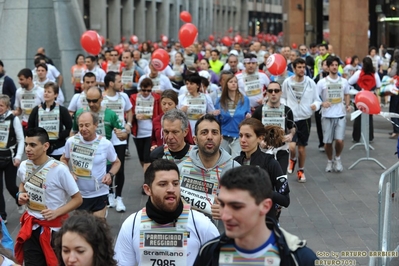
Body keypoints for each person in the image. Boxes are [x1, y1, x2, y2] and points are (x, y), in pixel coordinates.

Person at [193, 166, 318, 265]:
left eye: (236, 207)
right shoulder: (209, 253)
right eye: (223, 205)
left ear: (265, 206)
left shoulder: (300, 259)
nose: (225, 216)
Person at [114, 159, 219, 266]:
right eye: (163, 184)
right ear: (147, 189)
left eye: (175, 183)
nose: (171, 189)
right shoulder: (131, 225)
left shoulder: (201, 224)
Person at [15, 127, 83, 266]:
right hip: (31, 227)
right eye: (27, 144)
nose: (28, 149)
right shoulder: (23, 166)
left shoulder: (60, 169)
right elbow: (23, 183)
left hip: (55, 230)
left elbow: (78, 199)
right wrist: (20, 194)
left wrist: (56, 212)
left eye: (33, 145)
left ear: (45, 146)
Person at [61, 112, 121, 218]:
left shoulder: (105, 144)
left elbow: (116, 162)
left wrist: (110, 174)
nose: (83, 129)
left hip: (99, 192)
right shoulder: (71, 142)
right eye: (81, 125)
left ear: (96, 125)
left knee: (98, 226)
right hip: (78, 194)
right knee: (82, 229)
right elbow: (64, 159)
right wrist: (68, 172)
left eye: (87, 125)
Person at [178, 114, 238, 219]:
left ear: (221, 139)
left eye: (214, 133)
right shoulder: (180, 169)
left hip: (223, 234)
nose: (210, 137)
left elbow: (250, 208)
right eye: (204, 132)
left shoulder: (237, 170)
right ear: (195, 139)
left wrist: (229, 211)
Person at [233, 118, 289, 221]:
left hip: (264, 224)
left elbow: (285, 200)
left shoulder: (270, 163)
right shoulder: (235, 162)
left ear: (260, 138)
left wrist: (265, 191)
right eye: (241, 136)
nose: (243, 140)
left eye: (248, 136)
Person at [282, 58, 320, 182]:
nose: (302, 69)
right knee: (292, 147)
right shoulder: (287, 82)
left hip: (305, 119)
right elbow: (283, 98)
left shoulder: (310, 83)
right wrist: (285, 109)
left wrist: (316, 105)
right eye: (299, 67)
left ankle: (301, 171)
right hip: (291, 119)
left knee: (302, 148)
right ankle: (292, 159)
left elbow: (317, 99)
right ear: (294, 69)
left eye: (303, 67)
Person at [102, 72, 132, 212]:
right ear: (111, 83)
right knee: (106, 168)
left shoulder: (124, 96)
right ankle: (110, 194)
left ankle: (119, 197)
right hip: (106, 138)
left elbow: (129, 111)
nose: (122, 84)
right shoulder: (101, 98)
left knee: (120, 168)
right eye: (119, 81)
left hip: (120, 138)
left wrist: (129, 124)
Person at [252, 81, 296, 173]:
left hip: (281, 150)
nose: (273, 93)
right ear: (267, 93)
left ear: (281, 93)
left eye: (276, 91)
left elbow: (292, 127)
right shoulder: (259, 111)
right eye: (270, 91)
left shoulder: (287, 110)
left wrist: (291, 135)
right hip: (264, 150)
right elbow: (252, 130)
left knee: (281, 178)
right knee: (265, 180)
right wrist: (260, 141)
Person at [317, 56, 351, 172]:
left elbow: (347, 94)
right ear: (328, 67)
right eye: (332, 65)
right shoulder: (322, 82)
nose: (335, 67)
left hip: (340, 114)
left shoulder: (344, 81)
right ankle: (329, 161)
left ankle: (338, 159)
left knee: (340, 140)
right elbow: (316, 97)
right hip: (327, 115)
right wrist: (322, 103)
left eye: (336, 65)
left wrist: (347, 105)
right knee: (327, 142)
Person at [27, 82, 72, 161]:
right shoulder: (36, 110)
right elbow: (30, 128)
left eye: (49, 92)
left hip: (58, 149)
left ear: (56, 94)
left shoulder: (62, 110)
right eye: (45, 91)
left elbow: (70, 127)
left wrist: (60, 135)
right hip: (40, 148)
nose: (46, 94)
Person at [0, 95, 24, 223]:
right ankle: (2, 216)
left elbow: (21, 140)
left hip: (10, 158)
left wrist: (18, 156)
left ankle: (19, 201)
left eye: (1, 106)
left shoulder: (13, 119)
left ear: (7, 107)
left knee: (10, 186)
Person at [130, 78, 161, 175]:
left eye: (149, 90)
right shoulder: (134, 97)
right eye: (144, 90)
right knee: (142, 158)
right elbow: (129, 113)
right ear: (140, 89)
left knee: (148, 158)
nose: (146, 93)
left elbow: (160, 114)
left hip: (150, 132)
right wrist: (135, 116)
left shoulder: (156, 98)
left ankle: (147, 181)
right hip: (137, 133)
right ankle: (148, 175)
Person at [215, 73, 251, 157]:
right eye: (231, 82)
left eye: (235, 82)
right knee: (223, 160)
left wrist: (248, 116)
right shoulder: (220, 100)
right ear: (226, 84)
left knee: (236, 160)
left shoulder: (244, 99)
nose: (234, 83)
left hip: (238, 135)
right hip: (224, 135)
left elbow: (248, 114)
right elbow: (216, 120)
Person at [348, 56, 381, 142]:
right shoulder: (375, 74)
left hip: (360, 98)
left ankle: (356, 137)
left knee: (358, 117)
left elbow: (350, 82)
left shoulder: (358, 73)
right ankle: (369, 137)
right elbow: (378, 86)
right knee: (369, 118)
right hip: (370, 99)